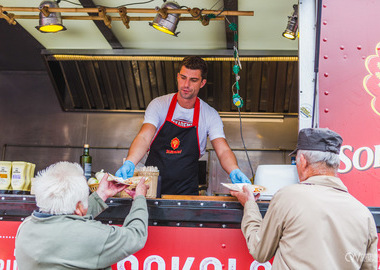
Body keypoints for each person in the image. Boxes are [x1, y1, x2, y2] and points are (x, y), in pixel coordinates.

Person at [231, 128, 378, 269]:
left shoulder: (288, 197)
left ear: (303, 161)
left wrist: (249, 204)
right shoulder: (364, 214)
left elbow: (259, 251)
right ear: (337, 164)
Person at [116, 55, 250, 195]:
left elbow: (223, 150)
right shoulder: (159, 105)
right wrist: (130, 162)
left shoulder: (209, 114)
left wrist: (234, 169)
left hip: (187, 191)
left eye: (193, 80)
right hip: (151, 188)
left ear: (202, 83)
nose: (186, 85)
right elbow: (144, 137)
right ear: (178, 77)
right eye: (183, 77)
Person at [15, 161, 149, 270]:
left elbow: (67, 221)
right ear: (79, 207)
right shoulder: (94, 236)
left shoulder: (25, 227)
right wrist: (140, 198)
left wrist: (101, 195)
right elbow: (136, 235)